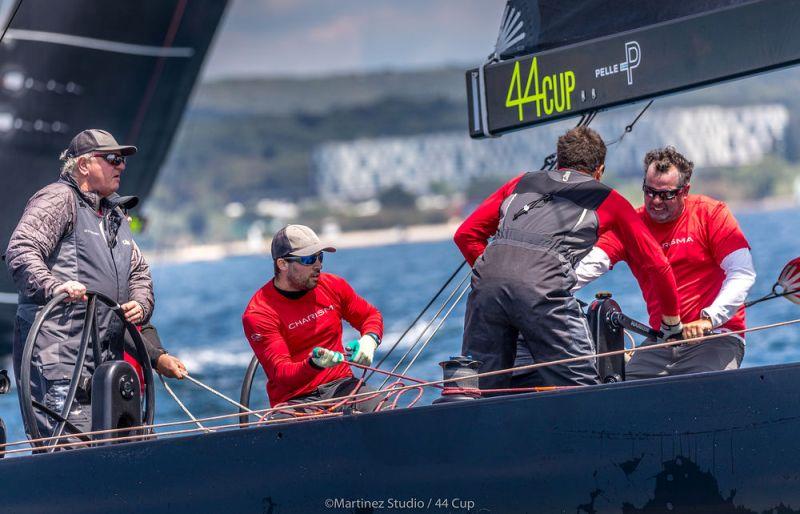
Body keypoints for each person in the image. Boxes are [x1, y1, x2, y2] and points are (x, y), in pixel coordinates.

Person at [454, 126, 682, 390]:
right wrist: (671, 323)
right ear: (599, 171)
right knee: (580, 388)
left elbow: (466, 235)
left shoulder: (520, 182)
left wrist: (501, 277)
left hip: (486, 286)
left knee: (482, 388)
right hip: (543, 290)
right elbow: (657, 265)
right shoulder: (609, 199)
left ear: (558, 162)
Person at [5, 129, 153, 439]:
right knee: (69, 450)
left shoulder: (115, 214)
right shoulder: (58, 199)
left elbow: (139, 271)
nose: (121, 166)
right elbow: (21, 249)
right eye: (112, 159)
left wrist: (141, 304)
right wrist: (53, 286)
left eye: (122, 160)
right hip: (60, 362)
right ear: (84, 165)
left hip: (106, 364)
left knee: (120, 450)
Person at [574, 146, 756, 378]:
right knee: (618, 392)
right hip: (662, 340)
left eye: (666, 194)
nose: (656, 201)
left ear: (685, 191)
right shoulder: (632, 224)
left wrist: (709, 319)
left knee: (702, 389)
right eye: (649, 192)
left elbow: (742, 273)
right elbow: (592, 263)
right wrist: (550, 289)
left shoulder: (712, 214)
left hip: (716, 337)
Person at [242, 224, 384, 416]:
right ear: (282, 264)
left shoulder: (333, 285)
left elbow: (370, 316)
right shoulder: (259, 313)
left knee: (389, 413)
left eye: (320, 257)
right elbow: (282, 374)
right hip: (296, 399)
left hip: (342, 386)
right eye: (308, 259)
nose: (318, 265)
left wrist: (369, 340)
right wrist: (314, 365)